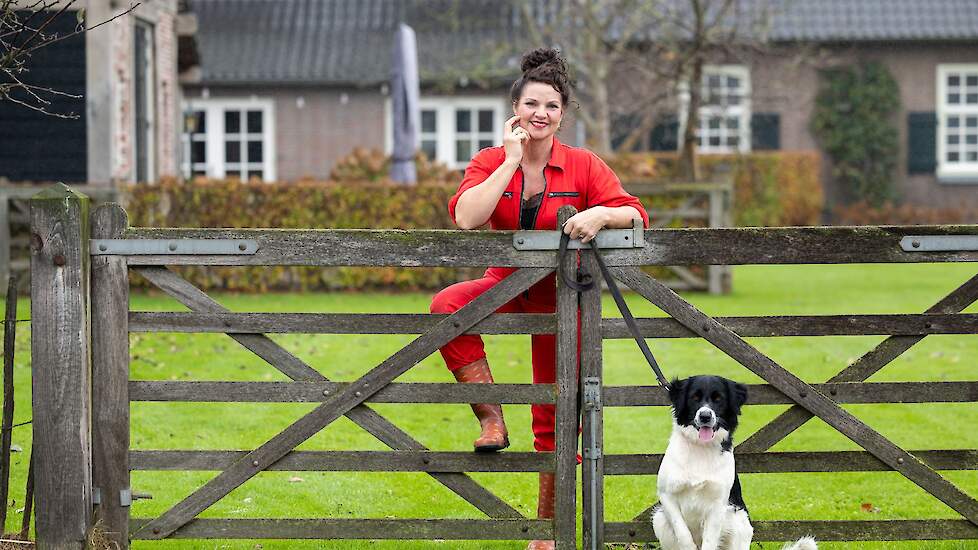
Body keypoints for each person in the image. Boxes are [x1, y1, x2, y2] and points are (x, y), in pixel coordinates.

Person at [429, 47, 649, 550]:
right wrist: (509, 160)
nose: (540, 115)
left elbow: (636, 214)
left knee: (556, 416)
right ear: (516, 108)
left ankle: (548, 534)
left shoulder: (583, 165)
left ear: (563, 113)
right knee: (447, 305)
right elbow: (467, 216)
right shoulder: (489, 161)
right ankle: (490, 417)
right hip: (504, 282)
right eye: (532, 104)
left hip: (561, 296)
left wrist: (600, 216)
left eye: (551, 106)